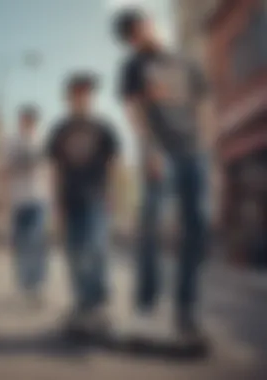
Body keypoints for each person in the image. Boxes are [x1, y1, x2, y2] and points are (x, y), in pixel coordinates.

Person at [114, 8, 208, 340]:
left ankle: (185, 309)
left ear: (150, 25)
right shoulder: (133, 67)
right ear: (130, 40)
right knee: (151, 224)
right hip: (160, 152)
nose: (140, 35)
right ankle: (146, 304)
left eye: (141, 27)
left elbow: (201, 102)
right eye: (133, 34)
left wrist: (205, 144)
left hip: (194, 151)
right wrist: (149, 149)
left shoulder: (184, 60)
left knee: (196, 225)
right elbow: (133, 111)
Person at [47, 73, 120, 334]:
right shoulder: (59, 130)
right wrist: (55, 205)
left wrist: (113, 195)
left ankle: (96, 303)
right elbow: (55, 170)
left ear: (91, 97)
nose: (82, 98)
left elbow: (113, 164)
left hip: (96, 197)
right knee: (75, 252)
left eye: (86, 93)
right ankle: (81, 304)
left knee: (95, 249)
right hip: (70, 199)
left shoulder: (103, 128)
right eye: (77, 94)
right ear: (69, 98)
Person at [5, 106, 48, 305]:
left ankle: (37, 284)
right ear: (20, 120)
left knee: (36, 241)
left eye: (31, 120)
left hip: (38, 198)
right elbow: (5, 169)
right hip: (18, 200)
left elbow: (50, 169)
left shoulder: (41, 141)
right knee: (22, 243)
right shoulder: (12, 142)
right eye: (25, 119)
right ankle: (25, 283)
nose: (28, 123)